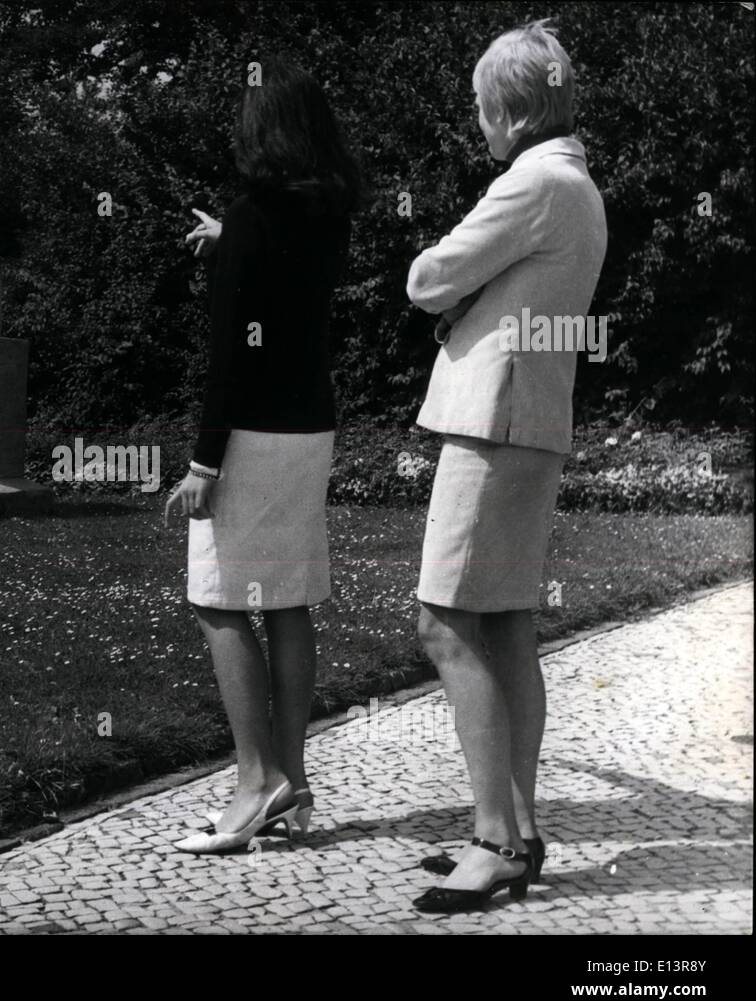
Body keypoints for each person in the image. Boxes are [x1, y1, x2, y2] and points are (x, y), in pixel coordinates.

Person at [405, 20, 607, 912]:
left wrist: (453, 295)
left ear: (511, 110)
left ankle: (494, 837)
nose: (479, 122)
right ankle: (517, 830)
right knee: (507, 626)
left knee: (443, 622)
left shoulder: (531, 183)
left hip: (492, 422)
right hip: (531, 420)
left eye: (483, 107)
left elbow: (428, 276)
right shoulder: (580, 185)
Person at [166, 57, 361, 853]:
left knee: (216, 599)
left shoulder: (254, 217)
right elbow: (285, 292)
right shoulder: (330, 210)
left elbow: (229, 357)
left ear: (260, 129)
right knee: (285, 601)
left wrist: (204, 464)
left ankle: (255, 783)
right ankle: (295, 780)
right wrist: (231, 238)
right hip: (310, 427)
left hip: (248, 437)